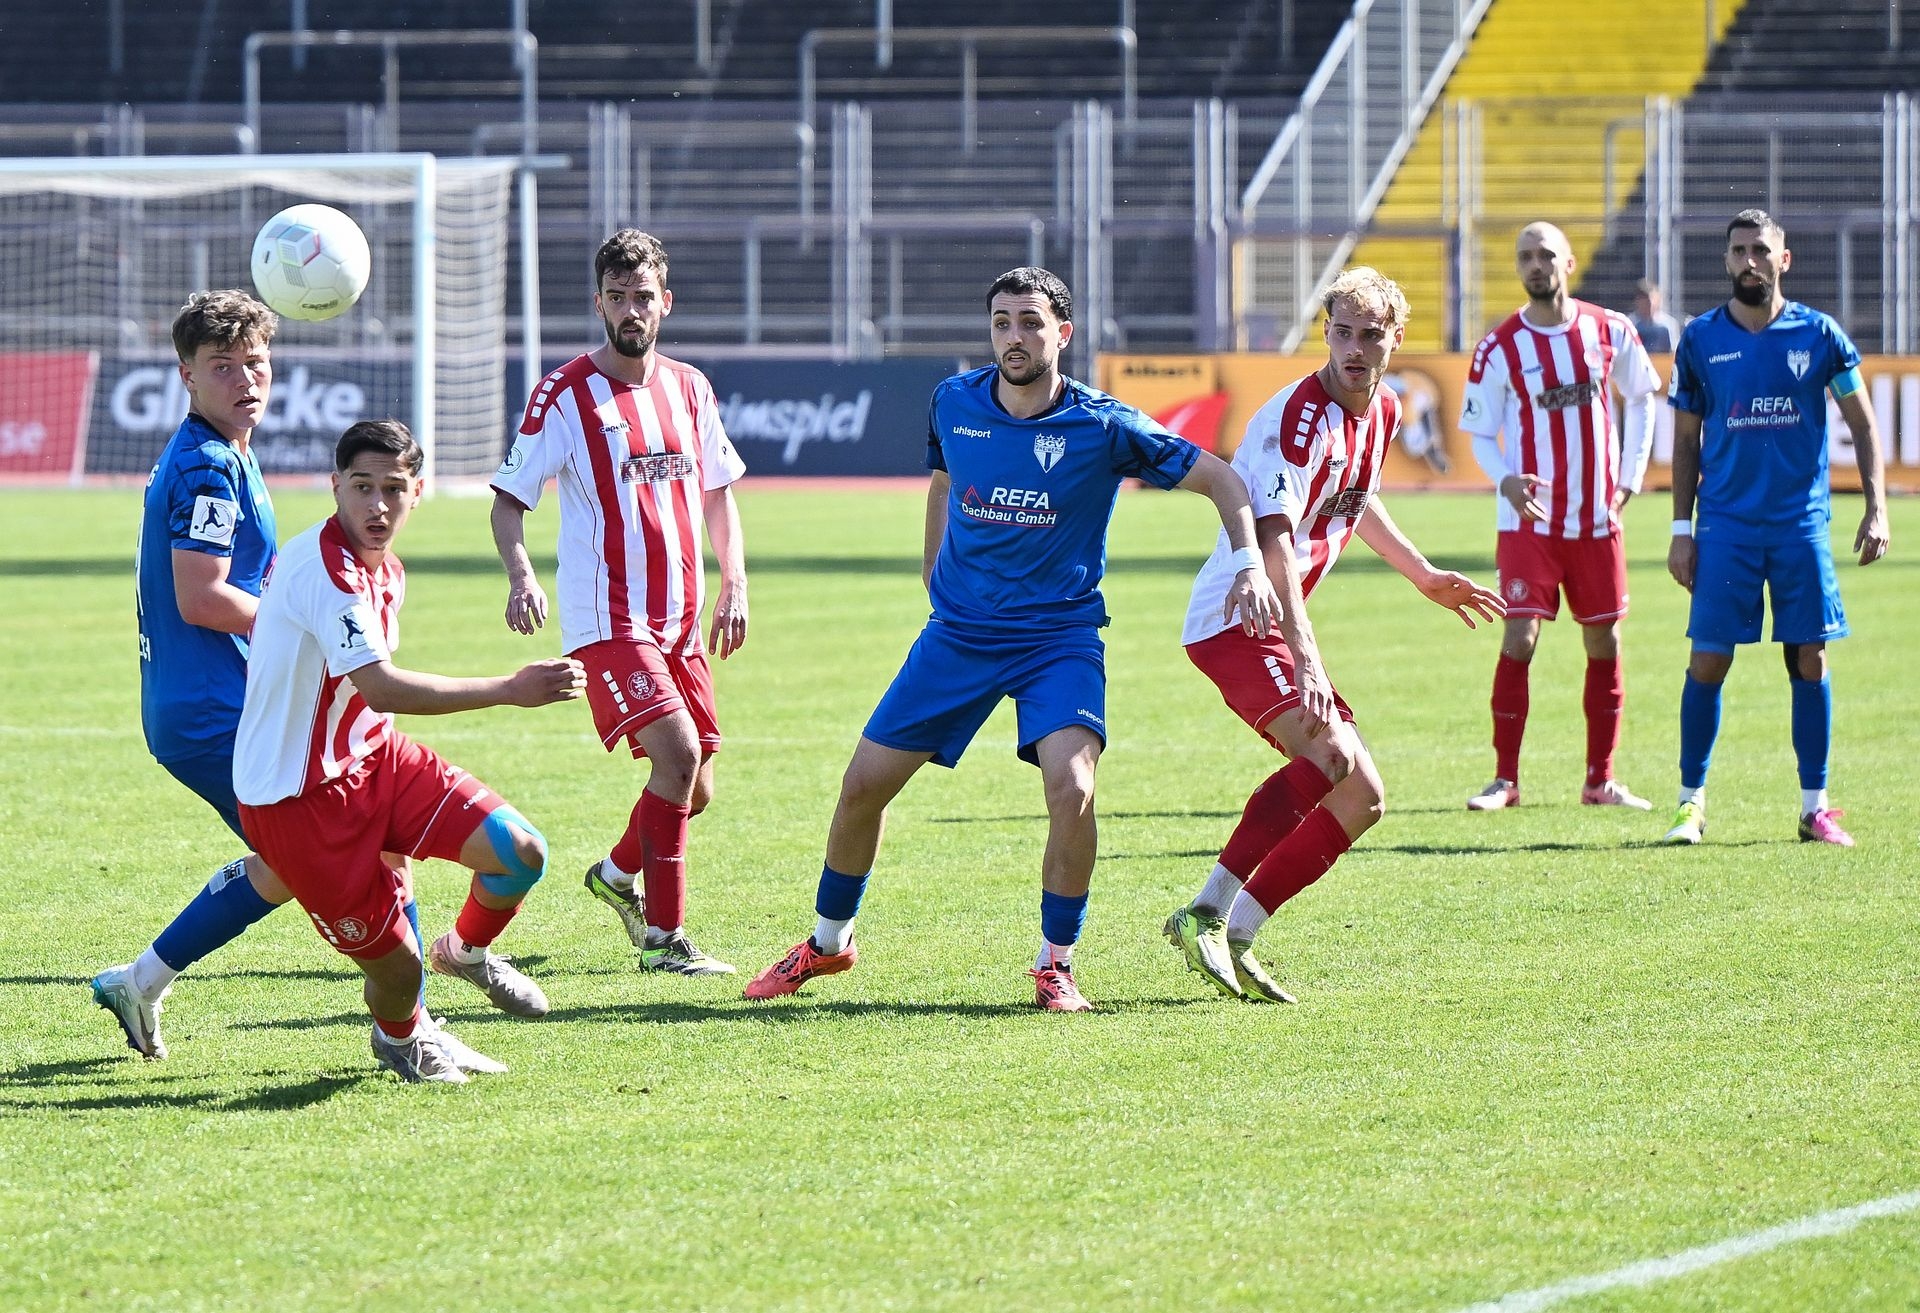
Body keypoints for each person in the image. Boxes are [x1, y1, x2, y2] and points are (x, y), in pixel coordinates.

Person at [742, 265, 1282, 1013]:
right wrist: (930, 565)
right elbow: (942, 480)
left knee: (1074, 787)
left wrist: (1249, 565)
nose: (1014, 337)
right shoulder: (953, 400)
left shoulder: (1104, 425)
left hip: (1058, 637)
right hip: (960, 635)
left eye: (1030, 322)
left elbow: (1223, 480)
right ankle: (828, 943)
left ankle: (1056, 964)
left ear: (1063, 332)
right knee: (862, 786)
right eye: (1002, 323)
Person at [1163, 268, 1504, 1002]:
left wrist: (1422, 575)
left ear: (1395, 339)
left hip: (1272, 623)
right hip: (1236, 619)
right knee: (1331, 752)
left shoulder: (1382, 409)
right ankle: (1205, 911)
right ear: (1325, 332)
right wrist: (1308, 661)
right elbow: (1275, 543)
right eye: (1341, 333)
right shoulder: (1300, 420)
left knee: (1363, 798)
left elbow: (1358, 498)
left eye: (1369, 335)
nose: (1353, 349)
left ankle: (1238, 932)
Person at [235, 420, 585, 1083]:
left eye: (393, 489)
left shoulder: (387, 569)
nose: (378, 505)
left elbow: (367, 698)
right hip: (298, 802)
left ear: (417, 492)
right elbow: (383, 685)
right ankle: (402, 1041)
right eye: (362, 487)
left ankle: (466, 951)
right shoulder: (327, 571)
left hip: (374, 760)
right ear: (335, 486)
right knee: (398, 971)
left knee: (520, 852)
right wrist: (510, 689)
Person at [491, 228, 748, 976]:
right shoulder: (563, 393)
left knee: (697, 787)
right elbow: (508, 501)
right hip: (609, 618)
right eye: (617, 297)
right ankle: (665, 942)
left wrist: (734, 581)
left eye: (643, 297)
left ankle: (614, 875)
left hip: (680, 620)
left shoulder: (690, 387)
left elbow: (718, 494)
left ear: (666, 302)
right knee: (679, 755)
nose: (631, 310)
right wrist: (522, 575)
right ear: (598, 303)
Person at [93, 290, 303, 1060]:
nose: (246, 379)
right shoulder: (210, 466)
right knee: (340, 848)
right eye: (223, 366)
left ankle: (140, 980)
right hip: (212, 709)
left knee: (306, 856)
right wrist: (302, 627)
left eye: (256, 362)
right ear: (186, 375)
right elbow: (203, 596)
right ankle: (409, 1021)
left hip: (219, 699)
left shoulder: (224, 449)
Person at [1662, 209, 1890, 847]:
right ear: (1726, 260)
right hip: (1725, 529)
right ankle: (1689, 804)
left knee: (1810, 658)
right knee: (1708, 659)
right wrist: (1681, 529)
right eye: (1739, 251)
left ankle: (1815, 808)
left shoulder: (1820, 335)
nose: (1749, 261)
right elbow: (1684, 441)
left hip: (1799, 527)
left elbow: (1863, 423)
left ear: (1783, 259)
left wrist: (1877, 506)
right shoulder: (1700, 339)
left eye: (1761, 250)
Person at [1458, 222, 1664, 813]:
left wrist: (1629, 478)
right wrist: (1504, 478)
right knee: (1520, 636)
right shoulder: (1500, 347)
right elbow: (1479, 432)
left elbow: (1642, 398)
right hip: (1529, 522)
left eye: (1546, 254)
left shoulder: (1609, 329)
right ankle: (1504, 780)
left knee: (1604, 639)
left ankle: (1601, 781)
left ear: (1568, 263)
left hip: (1596, 520)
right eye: (1525, 256)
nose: (1536, 264)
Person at [1630, 279, 1683, 355]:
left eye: (1653, 300)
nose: (1650, 304)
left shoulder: (1669, 324)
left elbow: (1674, 352)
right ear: (1637, 301)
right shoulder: (1629, 324)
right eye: (1646, 301)